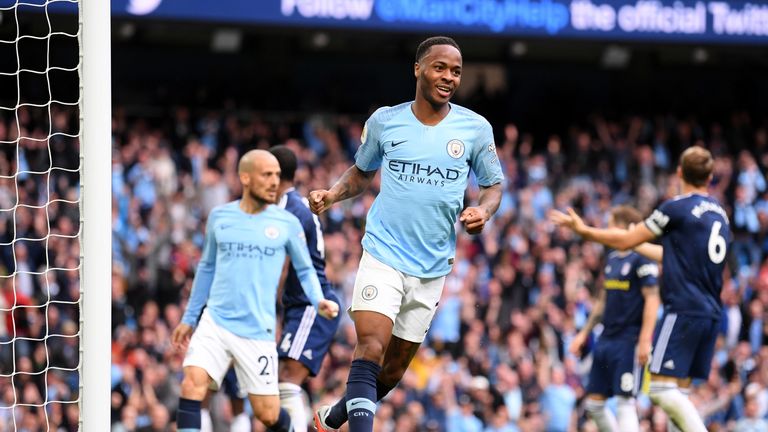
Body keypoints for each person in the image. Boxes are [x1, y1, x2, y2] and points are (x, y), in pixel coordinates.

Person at [308, 35, 504, 432]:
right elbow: (362, 174)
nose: (449, 77)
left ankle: (334, 417)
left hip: (432, 267)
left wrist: (483, 210)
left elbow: (492, 186)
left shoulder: (475, 129)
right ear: (418, 69)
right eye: (440, 67)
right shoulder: (385, 120)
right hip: (383, 253)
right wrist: (332, 194)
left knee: (392, 372)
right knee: (371, 347)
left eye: (456, 71)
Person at [550, 145, 731, 432]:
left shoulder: (677, 208)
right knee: (679, 392)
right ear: (710, 178)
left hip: (683, 311)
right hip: (710, 314)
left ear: (679, 172)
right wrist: (638, 245)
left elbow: (625, 241)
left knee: (659, 389)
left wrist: (584, 231)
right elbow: (673, 256)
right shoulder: (720, 215)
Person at [171, 150, 339, 432]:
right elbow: (207, 268)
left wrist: (318, 299)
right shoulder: (220, 217)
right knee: (192, 384)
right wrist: (190, 318)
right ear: (245, 177)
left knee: (268, 413)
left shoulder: (288, 221)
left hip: (255, 330)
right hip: (216, 320)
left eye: (277, 175)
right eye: (267, 174)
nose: (275, 181)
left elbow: (306, 269)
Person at [567, 206, 661, 432]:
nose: (607, 232)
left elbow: (652, 298)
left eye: (611, 225)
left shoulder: (643, 259)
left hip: (629, 340)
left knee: (625, 402)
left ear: (627, 228)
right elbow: (602, 300)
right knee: (594, 404)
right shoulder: (611, 259)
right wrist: (584, 333)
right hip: (606, 338)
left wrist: (645, 339)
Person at [269, 145, 342, 432]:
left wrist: (267, 315)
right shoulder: (290, 207)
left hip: (312, 306)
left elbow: (282, 266)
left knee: (286, 380)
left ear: (273, 175)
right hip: (299, 306)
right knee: (279, 382)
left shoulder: (289, 211)